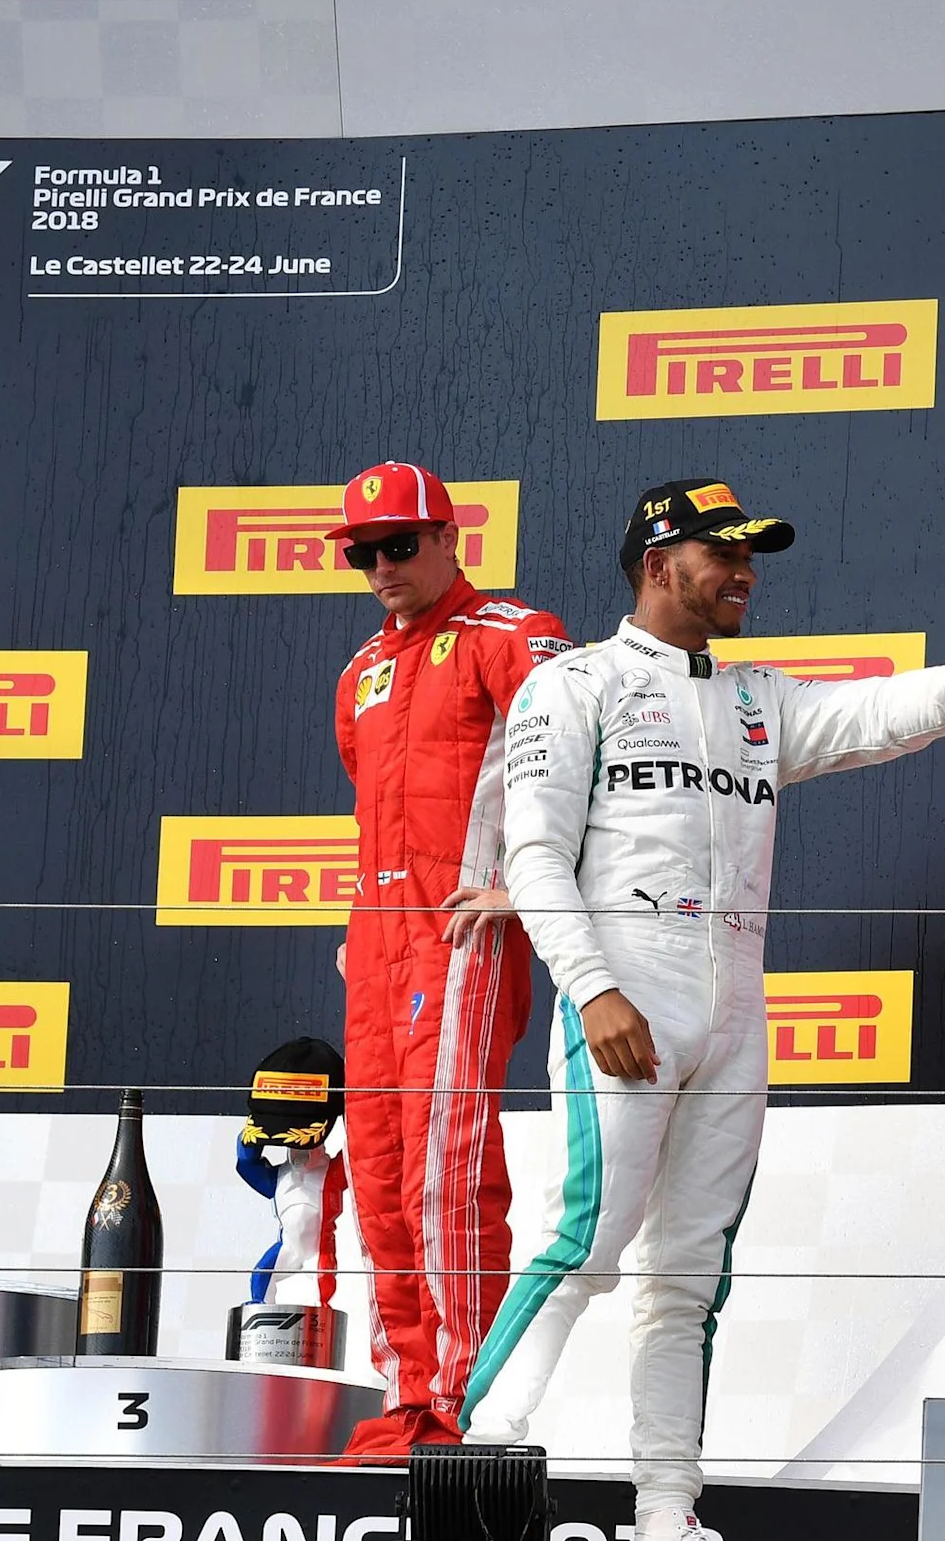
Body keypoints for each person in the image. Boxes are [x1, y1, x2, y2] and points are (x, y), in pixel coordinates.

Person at [457, 478, 945, 1541]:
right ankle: (472, 1472)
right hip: (626, 985)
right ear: (658, 566)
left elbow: (881, 713)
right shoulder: (574, 686)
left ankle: (667, 1509)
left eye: (752, 555)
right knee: (585, 1245)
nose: (745, 572)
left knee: (689, 1278)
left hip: (734, 1006)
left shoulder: (757, 702)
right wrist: (593, 986)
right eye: (722, 555)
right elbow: (534, 857)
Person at [328, 460, 570, 1456]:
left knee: (443, 1171)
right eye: (362, 553)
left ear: (446, 537)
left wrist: (532, 888)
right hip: (376, 940)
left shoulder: (511, 636)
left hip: (462, 932)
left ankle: (462, 1405)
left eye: (399, 545)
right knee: (377, 1167)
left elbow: (588, 761)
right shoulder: (358, 673)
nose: (381, 565)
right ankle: (406, 1395)